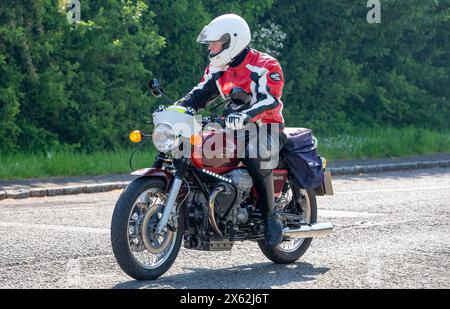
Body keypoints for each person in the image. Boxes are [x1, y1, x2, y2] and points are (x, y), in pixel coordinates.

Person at [175, 13, 286, 246]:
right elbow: (200, 94)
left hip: (267, 128)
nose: (211, 48)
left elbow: (270, 100)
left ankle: (270, 215)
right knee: (191, 146)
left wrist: (246, 114)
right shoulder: (219, 67)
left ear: (231, 40)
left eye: (215, 43)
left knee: (255, 150)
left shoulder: (265, 65)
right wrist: (176, 109)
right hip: (231, 129)